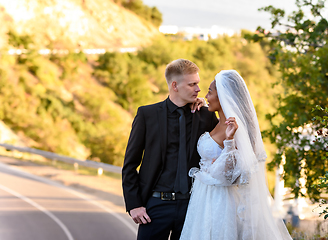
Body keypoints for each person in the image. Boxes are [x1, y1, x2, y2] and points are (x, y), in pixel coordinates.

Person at [180, 70, 293, 240]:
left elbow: (230, 176)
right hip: (203, 198)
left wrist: (229, 141)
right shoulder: (217, 122)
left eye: (210, 92)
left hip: (222, 201)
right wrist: (201, 103)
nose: (206, 95)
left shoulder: (235, 130)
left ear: (223, 96)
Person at [122, 59, 218, 240]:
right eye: (192, 84)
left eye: (198, 83)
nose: (198, 89)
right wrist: (134, 204)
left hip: (193, 206)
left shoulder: (206, 116)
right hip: (155, 206)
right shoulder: (147, 115)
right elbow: (130, 164)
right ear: (175, 85)